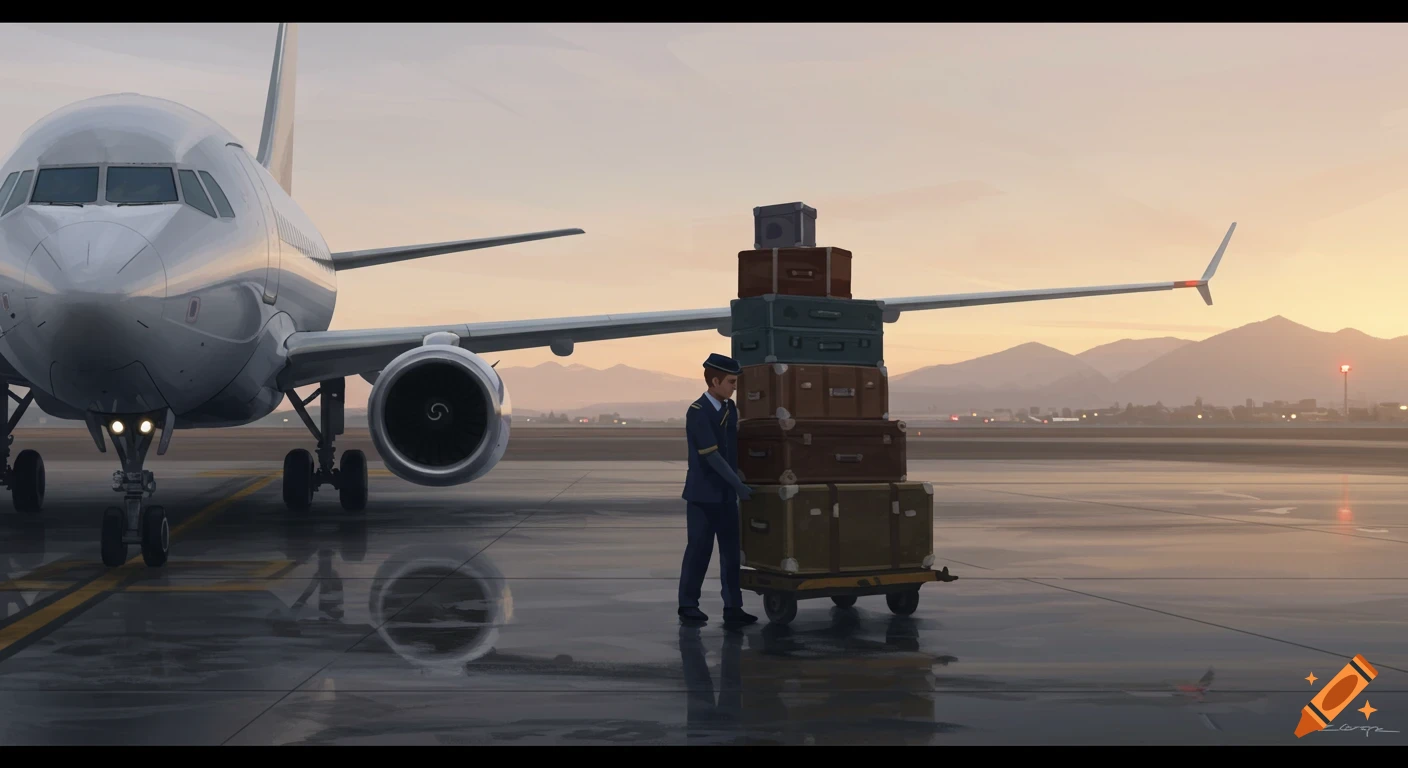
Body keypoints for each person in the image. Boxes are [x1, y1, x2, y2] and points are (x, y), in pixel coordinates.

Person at [678, 353, 757, 625]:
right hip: (703, 495)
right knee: (699, 551)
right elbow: (711, 455)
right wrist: (739, 486)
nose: (735, 387)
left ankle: (733, 608)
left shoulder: (729, 409)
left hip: (725, 495)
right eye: (731, 382)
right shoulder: (698, 411)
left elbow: (733, 450)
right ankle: (688, 605)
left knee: (730, 554)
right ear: (715, 381)